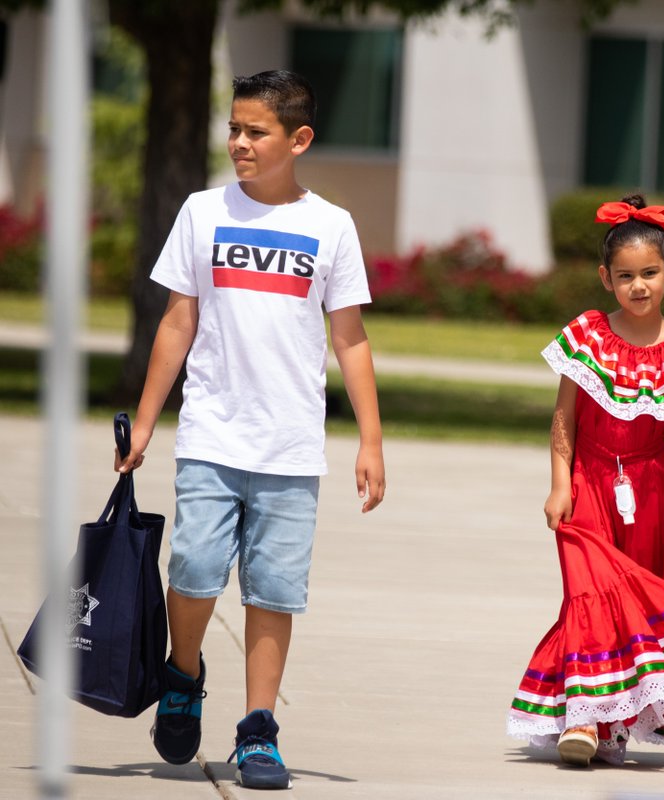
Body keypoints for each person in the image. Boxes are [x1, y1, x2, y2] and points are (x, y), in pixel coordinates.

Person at [115, 69, 386, 790]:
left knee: (273, 591)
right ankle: (183, 673)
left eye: (254, 131)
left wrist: (371, 440)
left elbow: (350, 337)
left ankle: (257, 731)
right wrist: (144, 422)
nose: (238, 142)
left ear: (298, 139)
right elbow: (177, 322)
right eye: (233, 128)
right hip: (211, 433)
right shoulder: (203, 212)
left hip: (291, 446)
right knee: (194, 570)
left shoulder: (330, 226)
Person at [506, 195, 664, 767]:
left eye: (650, 273)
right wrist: (559, 484)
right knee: (591, 594)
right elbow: (563, 417)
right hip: (589, 486)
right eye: (625, 276)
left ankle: (615, 726)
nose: (639, 285)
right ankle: (584, 719)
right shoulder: (588, 335)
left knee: (642, 606)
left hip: (654, 495)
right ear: (606, 278)